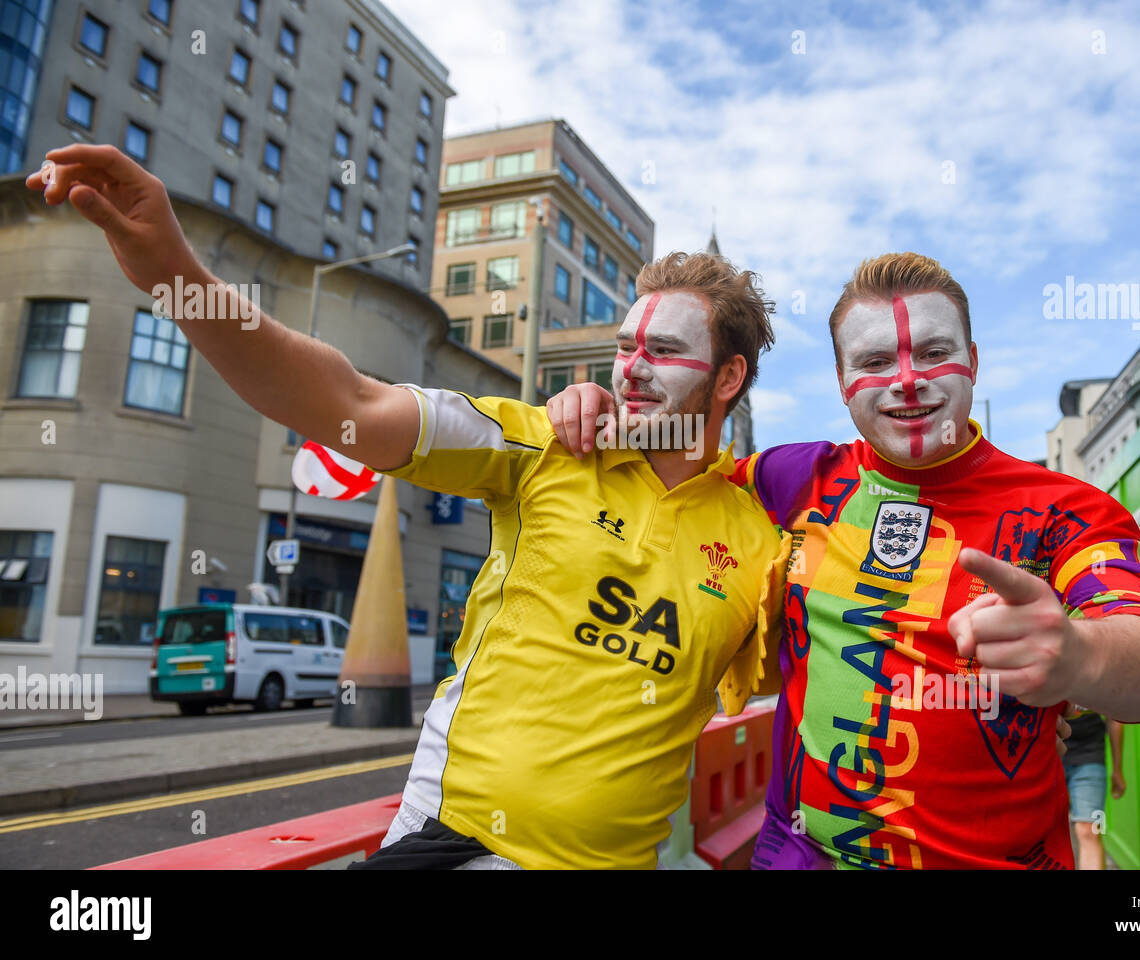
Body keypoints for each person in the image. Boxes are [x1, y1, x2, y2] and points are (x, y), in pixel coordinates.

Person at [28, 144, 790, 869]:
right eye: (624, 347)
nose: (630, 370)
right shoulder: (540, 447)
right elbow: (345, 399)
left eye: (662, 351)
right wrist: (173, 271)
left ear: (727, 380)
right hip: (457, 847)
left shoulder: (760, 541)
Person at [548, 251, 1140, 869]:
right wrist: (609, 414)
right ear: (841, 382)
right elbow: (680, 481)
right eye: (876, 360)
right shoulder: (791, 479)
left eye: (934, 353)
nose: (906, 380)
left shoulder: (1067, 508)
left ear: (973, 360)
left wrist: (1078, 657)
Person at [1062, 707, 1125, 869]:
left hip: (1089, 754)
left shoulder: (1100, 680)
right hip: (1045, 755)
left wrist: (1117, 769)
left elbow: (1114, 717)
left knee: (1090, 830)